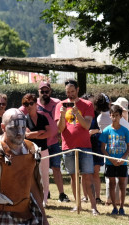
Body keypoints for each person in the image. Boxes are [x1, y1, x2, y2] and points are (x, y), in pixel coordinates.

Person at [54, 79, 97, 214]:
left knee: (88, 176)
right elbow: (60, 129)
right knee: (73, 177)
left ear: (78, 90)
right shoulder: (60, 105)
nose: (70, 94)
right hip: (68, 146)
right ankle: (77, 205)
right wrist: (62, 115)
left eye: (72, 91)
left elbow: (87, 126)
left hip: (84, 146)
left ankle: (93, 207)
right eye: (68, 92)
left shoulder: (87, 104)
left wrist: (77, 112)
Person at [99, 104, 129, 216]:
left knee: (122, 184)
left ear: (120, 116)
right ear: (110, 116)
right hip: (110, 162)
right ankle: (114, 206)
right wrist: (111, 158)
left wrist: (123, 158)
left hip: (122, 162)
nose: (114, 118)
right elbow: (102, 147)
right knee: (111, 183)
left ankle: (122, 207)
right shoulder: (106, 131)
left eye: (117, 115)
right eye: (112, 115)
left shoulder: (124, 131)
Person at [36, 81, 68, 203]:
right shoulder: (35, 103)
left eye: (46, 91)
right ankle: (45, 192)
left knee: (56, 168)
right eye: (42, 91)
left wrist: (61, 132)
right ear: (38, 92)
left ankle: (62, 194)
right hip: (40, 142)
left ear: (50, 91)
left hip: (54, 141)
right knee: (40, 169)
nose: (44, 94)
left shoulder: (58, 103)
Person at [21, 93, 51, 205]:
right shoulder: (24, 119)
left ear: (35, 104)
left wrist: (35, 134)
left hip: (43, 150)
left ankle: (44, 199)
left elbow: (49, 133)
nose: (29, 106)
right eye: (25, 104)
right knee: (31, 174)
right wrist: (39, 132)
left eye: (31, 103)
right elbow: (26, 135)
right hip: (30, 151)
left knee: (44, 175)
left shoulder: (43, 117)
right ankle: (32, 198)